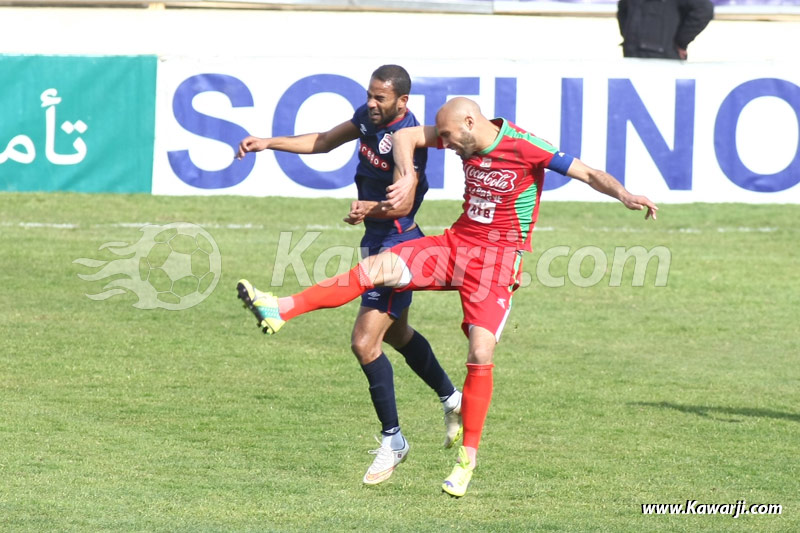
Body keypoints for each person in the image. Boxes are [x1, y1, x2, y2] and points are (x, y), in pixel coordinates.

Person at [237, 96, 658, 497]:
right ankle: (281, 309)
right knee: (376, 269)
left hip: (497, 261)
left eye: (450, 137)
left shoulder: (526, 147)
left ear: (470, 124)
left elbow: (586, 173)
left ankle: (466, 460)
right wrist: (407, 177)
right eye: (444, 137)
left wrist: (623, 193)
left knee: (480, 351)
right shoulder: (455, 134)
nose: (448, 146)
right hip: (457, 244)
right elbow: (406, 137)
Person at [235, 65, 463, 486]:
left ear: (402, 102)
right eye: (370, 95)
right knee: (397, 335)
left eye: (380, 98)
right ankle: (454, 399)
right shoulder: (367, 118)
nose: (372, 104)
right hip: (375, 241)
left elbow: (401, 205)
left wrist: (369, 209)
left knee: (364, 343)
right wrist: (269, 142)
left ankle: (393, 439)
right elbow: (323, 141)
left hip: (398, 246)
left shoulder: (407, 141)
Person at [617, 0, 714, 60]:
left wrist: (680, 42)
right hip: (633, 55)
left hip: (661, 59)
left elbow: (704, 10)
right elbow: (623, 8)